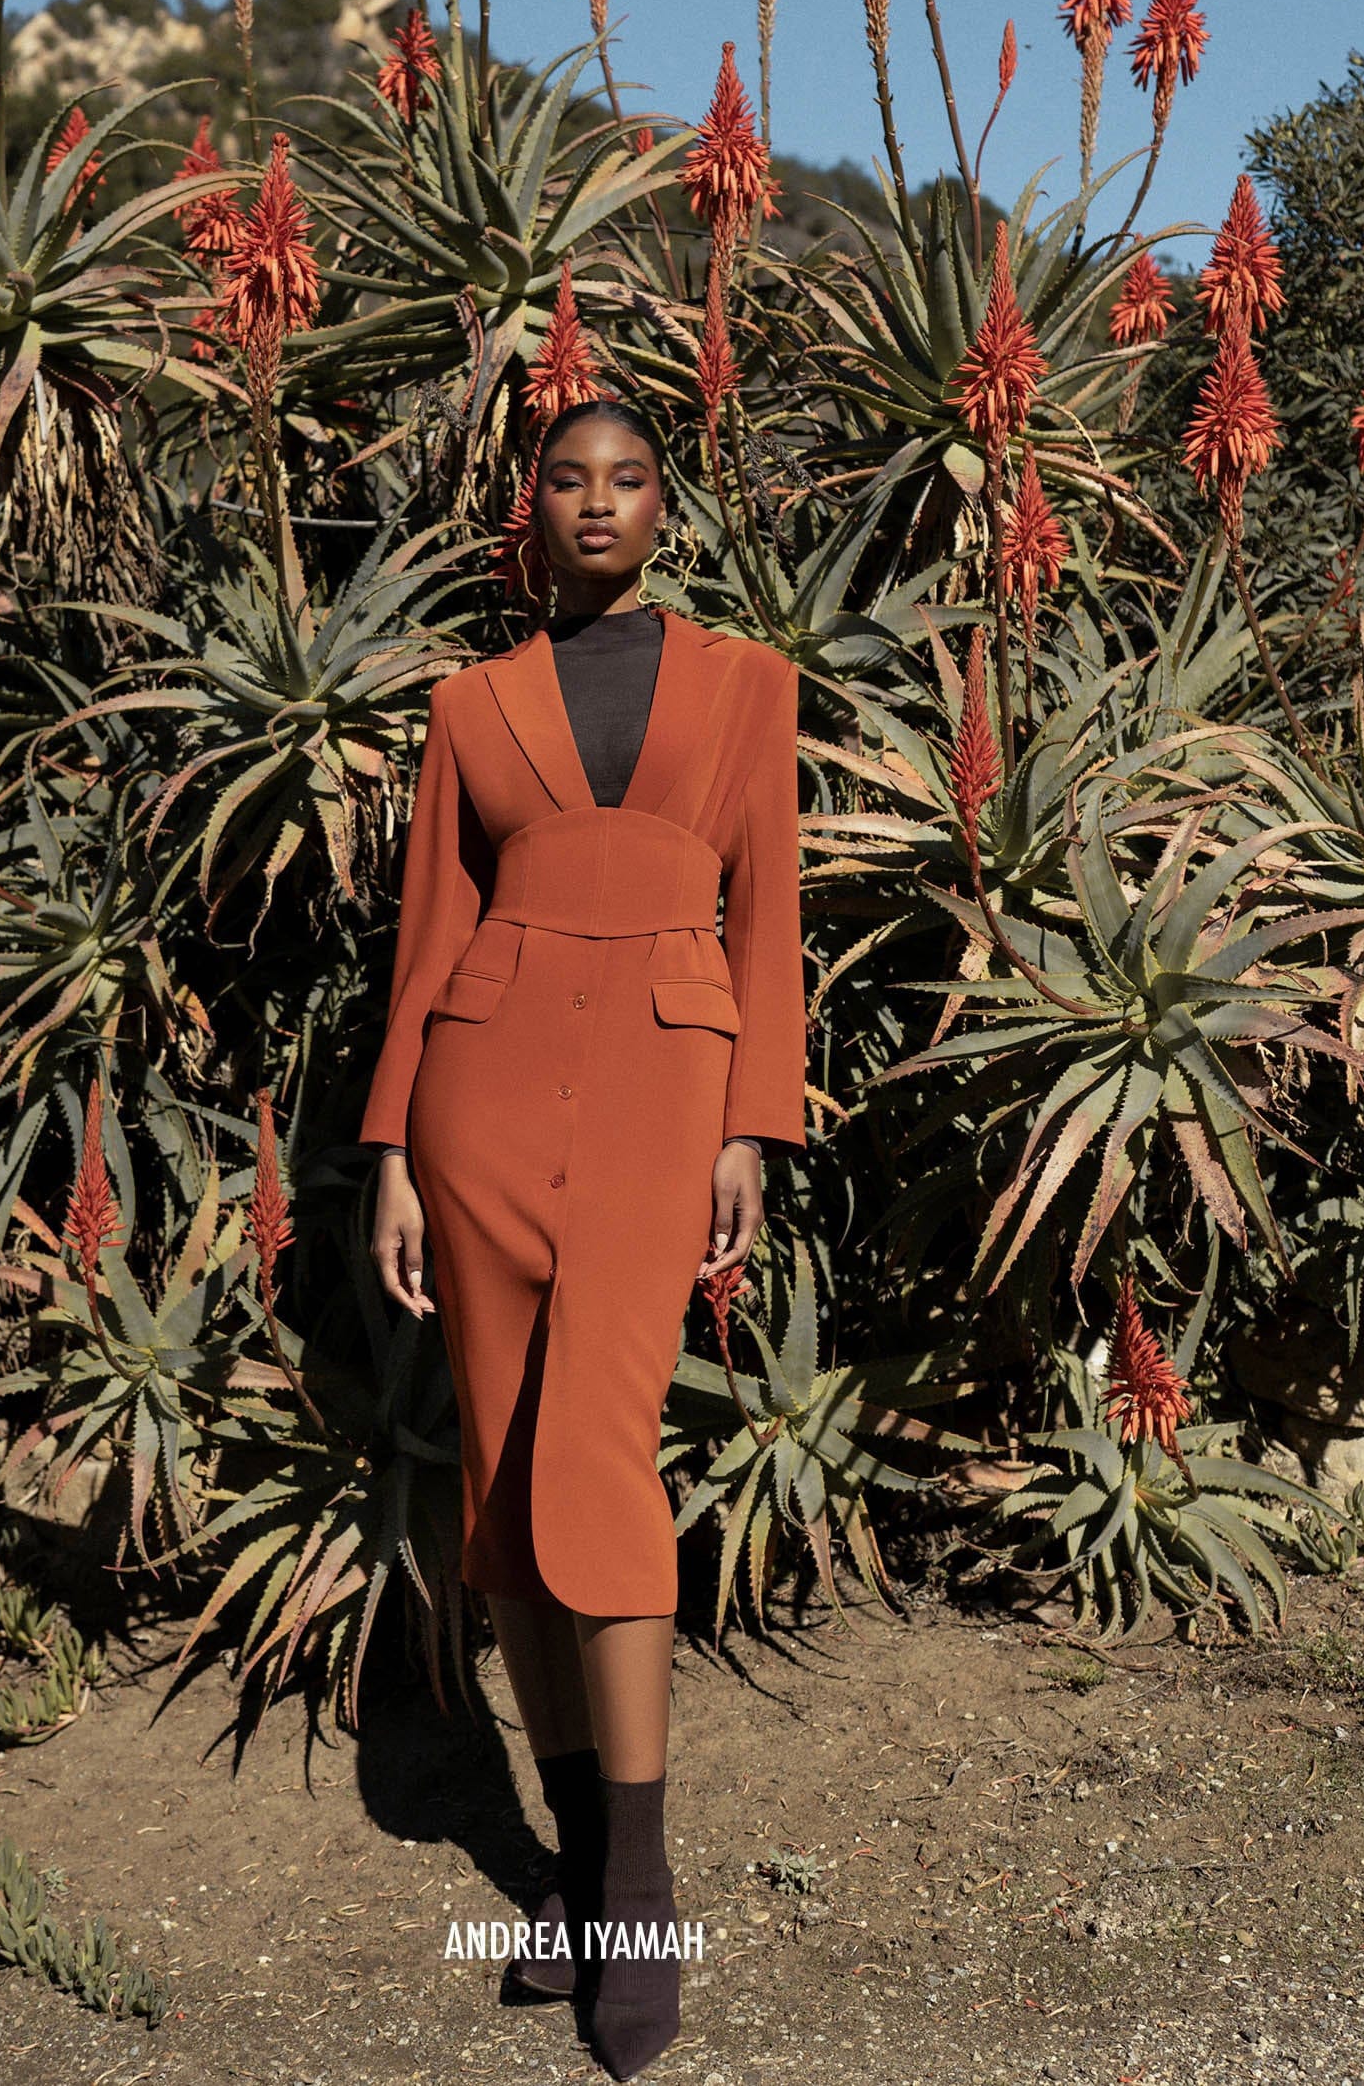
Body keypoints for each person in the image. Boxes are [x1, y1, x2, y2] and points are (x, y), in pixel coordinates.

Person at [361, 396, 806, 2080]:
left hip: (662, 1092)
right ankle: (567, 1862)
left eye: (627, 480)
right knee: (500, 1488)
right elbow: (430, 936)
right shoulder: (469, 705)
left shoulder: (748, 686)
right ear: (531, 508)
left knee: (602, 1467)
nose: (597, 503)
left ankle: (639, 1890)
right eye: (568, 480)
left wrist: (751, 1124)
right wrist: (393, 1150)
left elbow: (769, 922)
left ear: (664, 509)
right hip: (480, 1093)